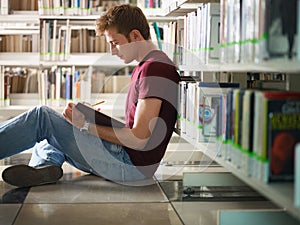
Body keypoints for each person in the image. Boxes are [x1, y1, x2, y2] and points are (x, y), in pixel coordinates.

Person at [0, 4, 180, 187]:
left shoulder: (155, 68)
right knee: (54, 131)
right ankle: (45, 167)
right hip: (127, 159)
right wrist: (89, 117)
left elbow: (139, 138)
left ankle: (46, 162)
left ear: (135, 36)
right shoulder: (147, 65)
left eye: (115, 43)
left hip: (129, 166)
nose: (112, 51)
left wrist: (86, 125)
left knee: (42, 117)